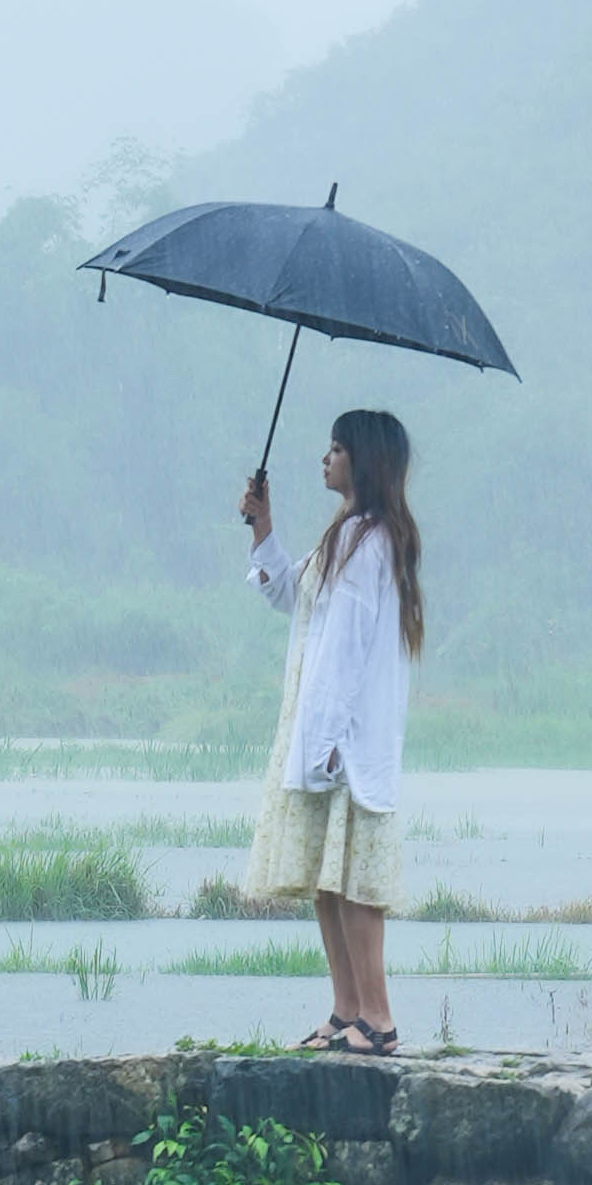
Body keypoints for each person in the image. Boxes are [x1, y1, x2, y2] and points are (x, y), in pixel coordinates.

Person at [238, 406, 425, 1051]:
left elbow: (345, 652)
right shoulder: (344, 533)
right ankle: (346, 1008)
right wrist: (263, 528)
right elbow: (292, 596)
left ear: (363, 461)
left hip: (342, 739)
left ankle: (378, 1016)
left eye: (337, 448)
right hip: (324, 735)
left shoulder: (368, 540)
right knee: (327, 876)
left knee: (353, 879)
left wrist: (324, 744)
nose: (326, 457)